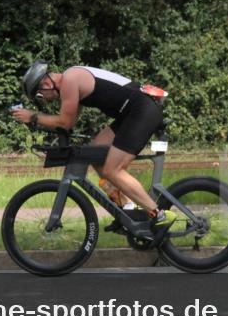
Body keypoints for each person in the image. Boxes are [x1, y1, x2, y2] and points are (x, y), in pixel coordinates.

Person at [11, 61, 178, 228]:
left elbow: (64, 122)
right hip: (131, 112)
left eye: (40, 95)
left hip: (140, 110)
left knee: (112, 170)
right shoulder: (72, 79)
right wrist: (36, 120)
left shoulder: (70, 80)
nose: (44, 101)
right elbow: (68, 124)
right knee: (95, 153)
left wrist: (33, 116)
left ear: (47, 83)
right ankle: (127, 209)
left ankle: (158, 214)